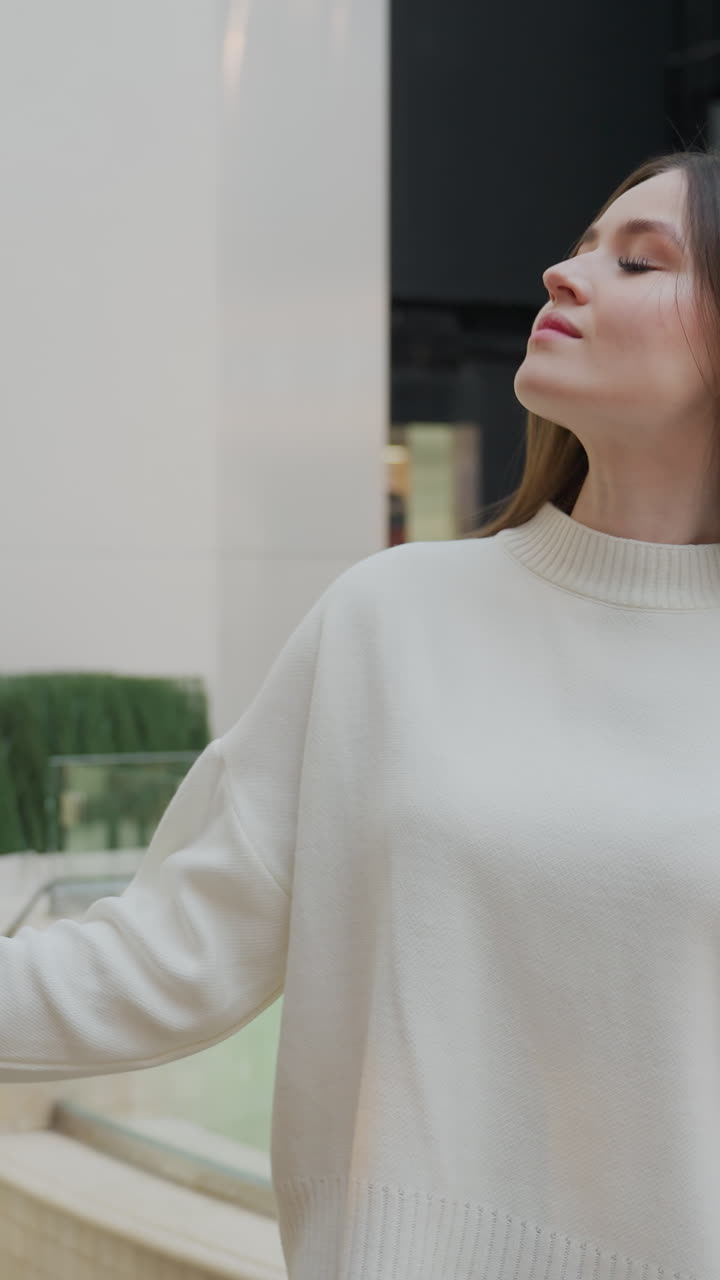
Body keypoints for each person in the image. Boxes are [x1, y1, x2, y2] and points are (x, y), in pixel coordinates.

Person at [0, 149, 717, 1280]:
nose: (564, 274)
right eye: (581, 248)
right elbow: (156, 962)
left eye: (639, 261)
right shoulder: (395, 616)